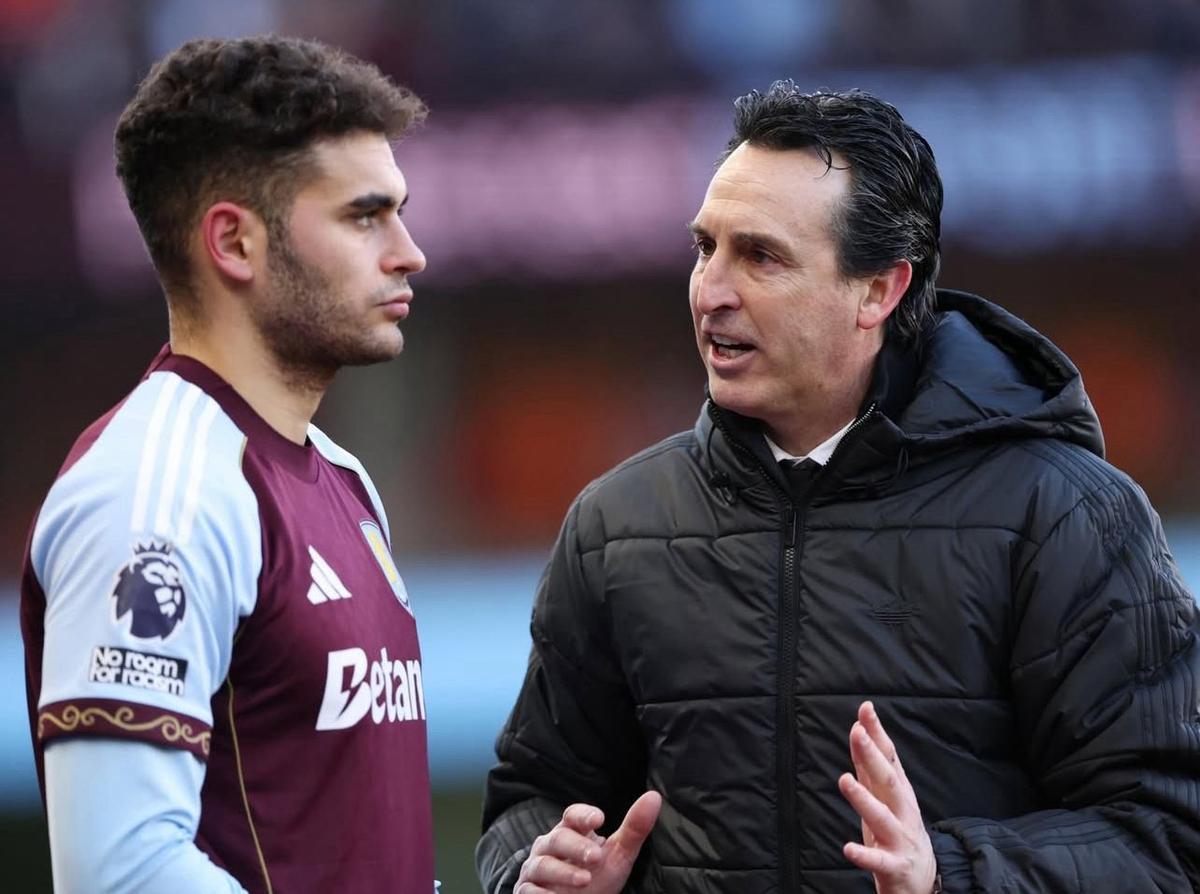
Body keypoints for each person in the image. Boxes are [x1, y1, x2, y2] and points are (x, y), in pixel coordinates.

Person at [476, 82, 1200, 893]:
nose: (710, 290)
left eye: (761, 256)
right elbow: (530, 798)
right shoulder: (615, 525)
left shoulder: (1067, 516)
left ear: (879, 290)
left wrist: (946, 877)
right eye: (703, 247)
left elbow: (1167, 838)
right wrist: (536, 869)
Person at [20, 35, 435, 893]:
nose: (408, 251)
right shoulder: (153, 494)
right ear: (234, 244)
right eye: (365, 215)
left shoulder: (343, 480)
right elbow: (121, 872)